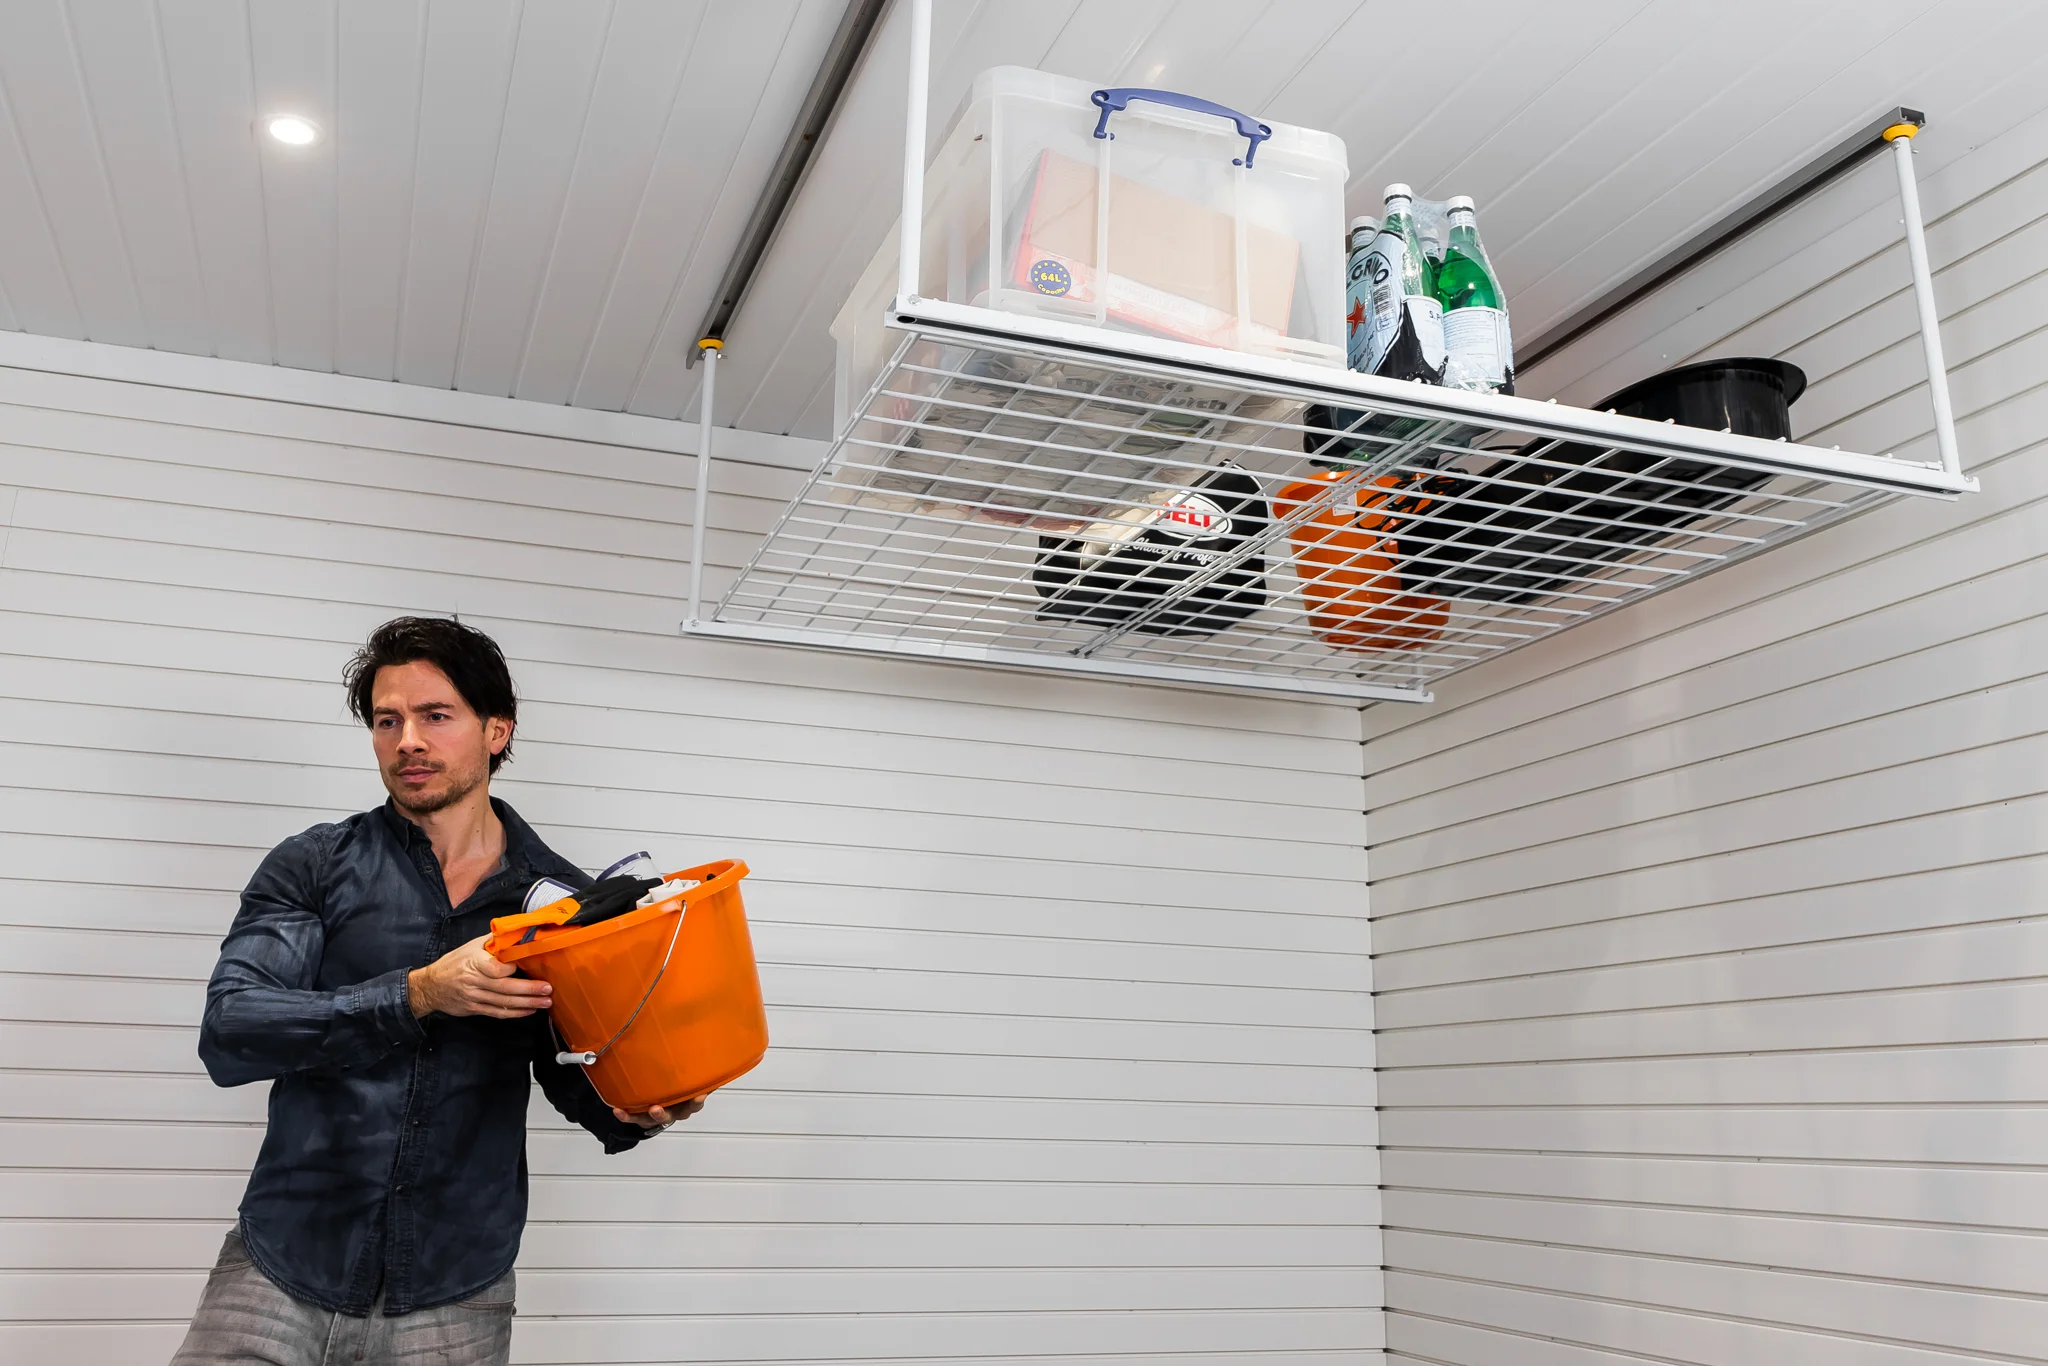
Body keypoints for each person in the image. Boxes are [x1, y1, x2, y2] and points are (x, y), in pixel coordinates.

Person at [171, 616, 697, 1365]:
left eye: (435, 716)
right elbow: (232, 1030)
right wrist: (417, 993)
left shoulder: (561, 908)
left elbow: (575, 1075)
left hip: (455, 1294)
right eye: (388, 721)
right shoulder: (315, 864)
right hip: (282, 1265)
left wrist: (635, 1105)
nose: (407, 740)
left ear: (495, 730)